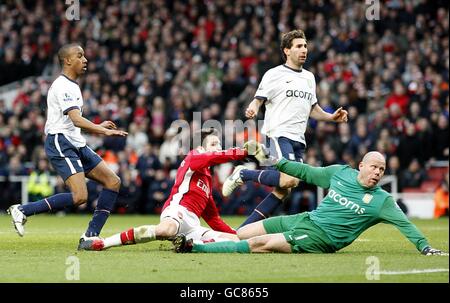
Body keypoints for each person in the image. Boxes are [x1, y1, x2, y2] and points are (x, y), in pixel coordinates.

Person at [174, 148, 447, 256]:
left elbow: (405, 225)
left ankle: (194, 249)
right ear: (361, 165)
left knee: (261, 245)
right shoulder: (341, 172)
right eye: (374, 167)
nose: (377, 173)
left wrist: (425, 247)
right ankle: (195, 237)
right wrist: (277, 162)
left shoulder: (382, 201)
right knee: (241, 233)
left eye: (382, 170)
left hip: (322, 239)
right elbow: (306, 172)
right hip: (308, 219)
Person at [222, 29, 348, 227]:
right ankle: (243, 173)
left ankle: (242, 230)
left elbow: (312, 108)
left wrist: (331, 117)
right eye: (298, 46)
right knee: (289, 180)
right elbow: (258, 100)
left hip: (298, 139)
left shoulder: (309, 78)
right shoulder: (274, 74)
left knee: (284, 189)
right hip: (278, 135)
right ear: (287, 51)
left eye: (305, 46)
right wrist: (253, 109)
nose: (304, 50)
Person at [7, 43, 128, 249]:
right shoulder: (63, 85)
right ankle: (23, 210)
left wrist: (97, 126)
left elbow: (76, 120)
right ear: (67, 60)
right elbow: (76, 120)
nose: (85, 60)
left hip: (75, 142)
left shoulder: (72, 85)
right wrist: (103, 131)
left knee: (113, 181)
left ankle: (90, 236)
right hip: (60, 142)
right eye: (80, 56)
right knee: (80, 197)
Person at [78, 130, 263, 251]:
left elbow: (213, 219)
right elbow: (213, 157)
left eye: (219, 144)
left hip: (192, 227)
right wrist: (243, 151)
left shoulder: (207, 180)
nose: (218, 148)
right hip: (177, 212)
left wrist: (235, 233)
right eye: (214, 144)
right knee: (167, 230)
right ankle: (103, 243)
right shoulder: (194, 157)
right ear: (200, 147)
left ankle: (189, 245)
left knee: (236, 242)